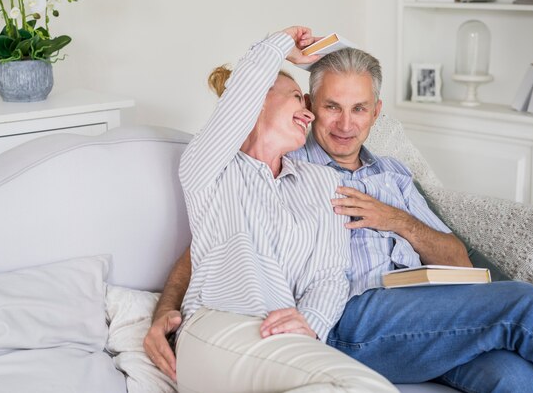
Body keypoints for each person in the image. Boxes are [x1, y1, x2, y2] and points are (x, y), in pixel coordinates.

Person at [146, 43, 533, 392]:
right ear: (310, 106)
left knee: (515, 380)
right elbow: (212, 239)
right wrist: (167, 305)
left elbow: (459, 260)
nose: (344, 124)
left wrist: (396, 219)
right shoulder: (292, 164)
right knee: (527, 304)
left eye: (358, 109)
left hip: (427, 313)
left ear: (376, 113)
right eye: (329, 107)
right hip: (356, 315)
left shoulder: (392, 174)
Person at [165, 26, 396, 393]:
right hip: (215, 327)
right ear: (256, 100)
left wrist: (310, 324)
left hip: (285, 338)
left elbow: (330, 275)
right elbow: (240, 96)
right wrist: (283, 46)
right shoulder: (211, 169)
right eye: (295, 98)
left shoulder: (321, 183)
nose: (309, 113)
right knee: (360, 386)